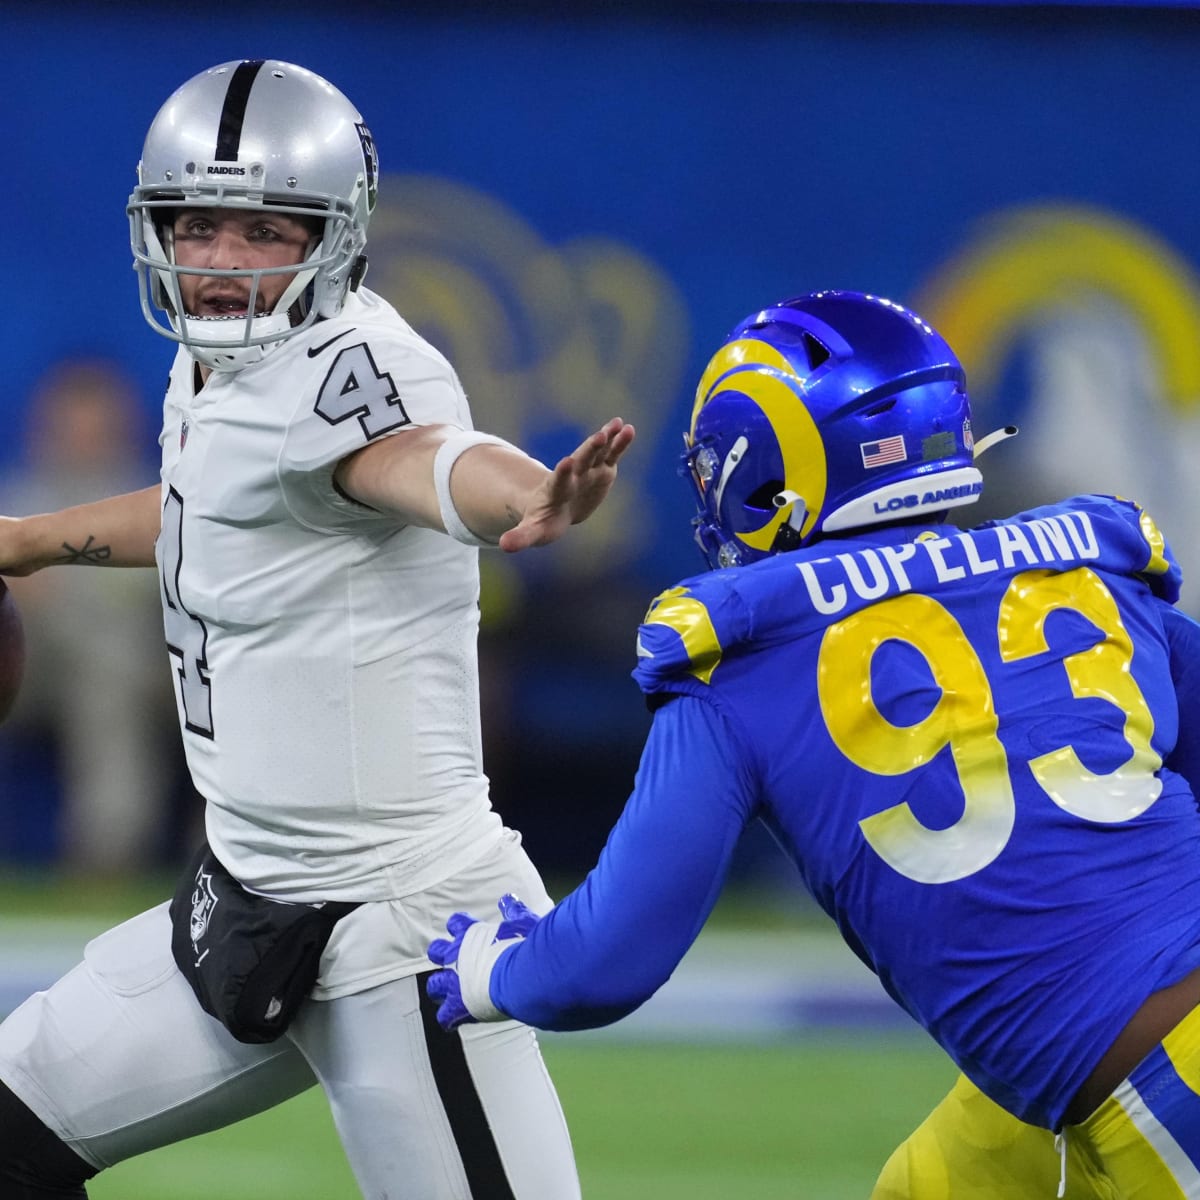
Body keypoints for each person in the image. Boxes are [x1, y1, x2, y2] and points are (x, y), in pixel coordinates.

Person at [0, 58, 634, 1200]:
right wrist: (34, 539)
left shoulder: (362, 364)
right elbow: (222, 504)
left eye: (262, 232)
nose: (222, 264)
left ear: (335, 237)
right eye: (197, 226)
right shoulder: (216, 366)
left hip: (401, 940)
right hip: (246, 900)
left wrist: (527, 497)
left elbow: (422, 462)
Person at [425, 289, 1200, 1198]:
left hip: (1153, 1083)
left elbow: (602, 967)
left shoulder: (745, 651)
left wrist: (492, 970)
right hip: (1108, 1059)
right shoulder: (1090, 572)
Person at [0, 357, 185, 873]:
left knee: (110, 678)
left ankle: (112, 859)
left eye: (96, 424)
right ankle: (106, 858)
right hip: (32, 668)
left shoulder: (151, 497)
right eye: (72, 424)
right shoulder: (17, 499)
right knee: (105, 674)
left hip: (139, 669)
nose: (84, 437)